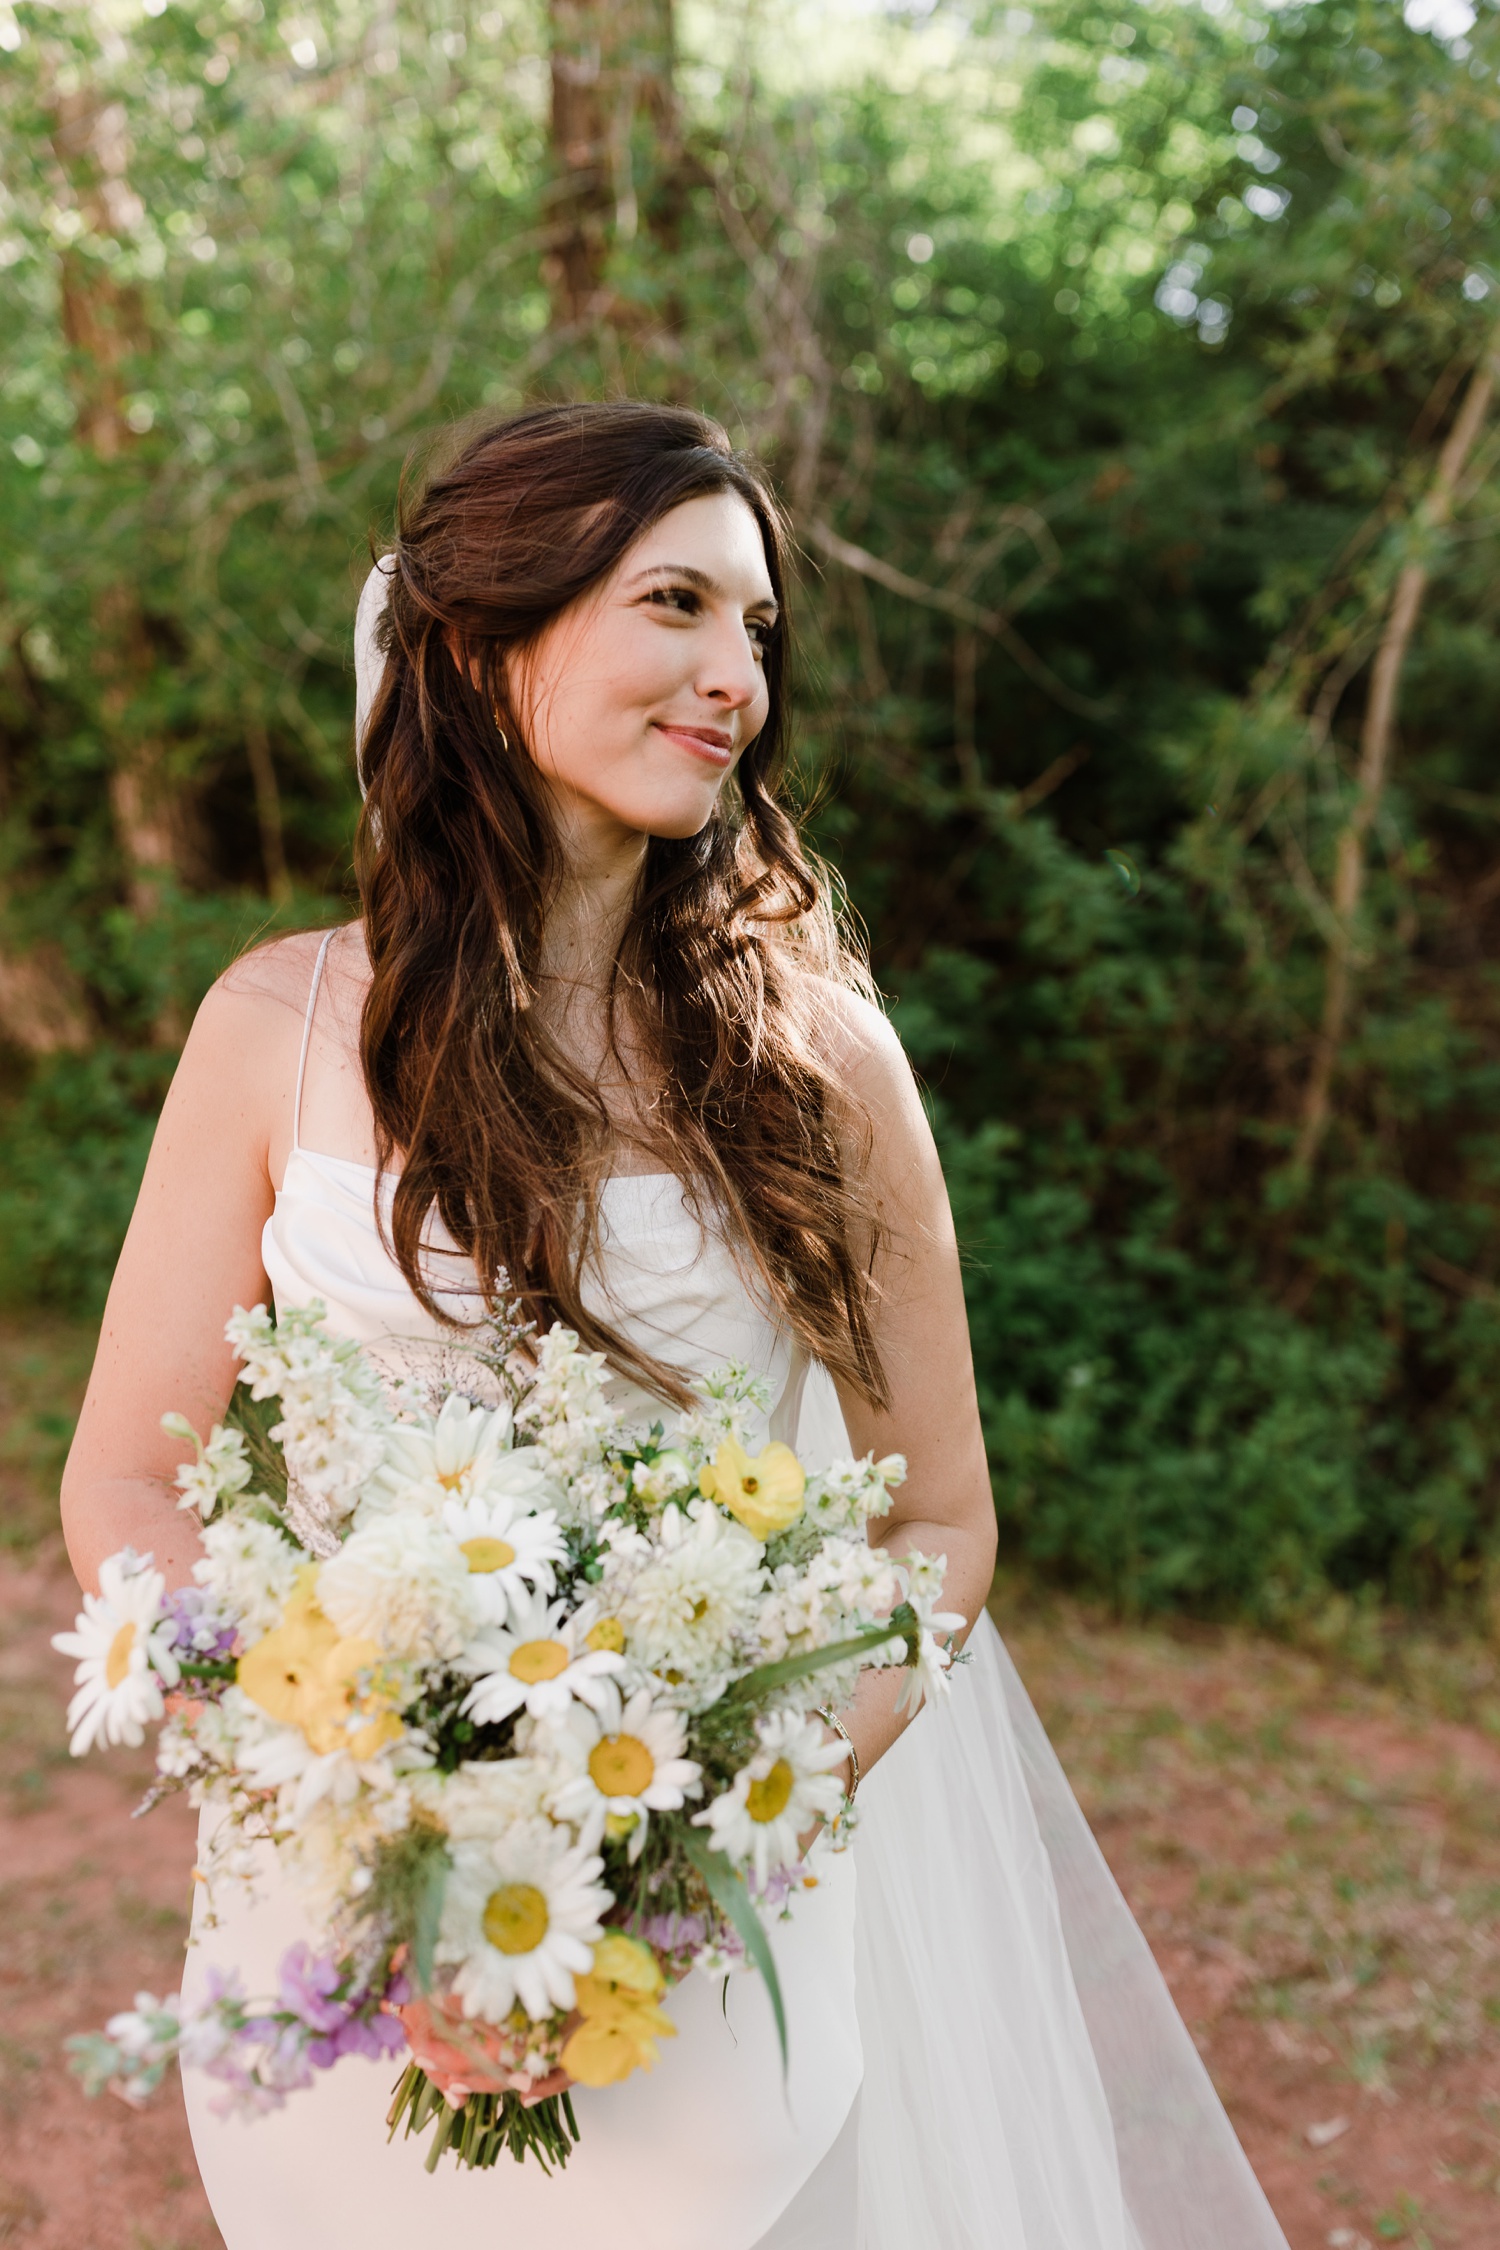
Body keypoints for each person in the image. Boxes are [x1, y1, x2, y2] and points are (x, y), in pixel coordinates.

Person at [60, 401, 1289, 2250]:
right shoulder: (277, 1027)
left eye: (759, 630)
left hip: (700, 1924)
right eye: (679, 605)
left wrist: (686, 1831)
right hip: (340, 1903)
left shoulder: (820, 1060)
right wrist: (352, 1798)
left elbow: (938, 1518)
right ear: (484, 648)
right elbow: (126, 1483)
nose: (737, 676)